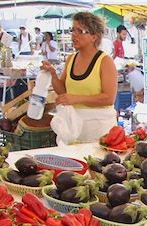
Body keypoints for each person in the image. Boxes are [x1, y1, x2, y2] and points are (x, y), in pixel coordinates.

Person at [41, 12, 117, 143]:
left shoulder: (105, 61)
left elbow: (109, 98)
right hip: (74, 127)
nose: (74, 34)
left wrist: (76, 99)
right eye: (73, 30)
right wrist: (53, 74)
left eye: (80, 31)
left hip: (99, 128)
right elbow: (63, 91)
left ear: (94, 36)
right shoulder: (71, 59)